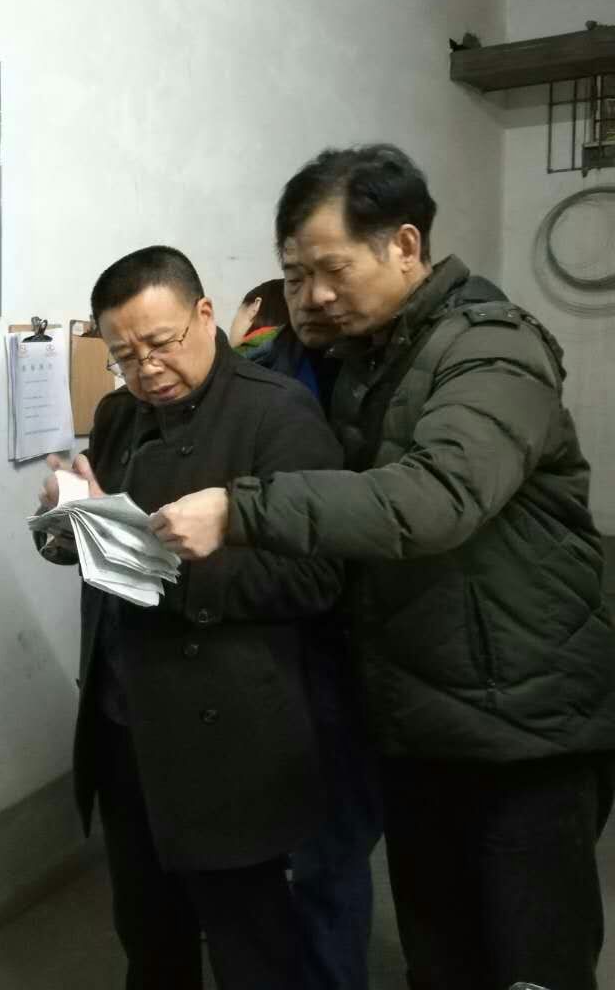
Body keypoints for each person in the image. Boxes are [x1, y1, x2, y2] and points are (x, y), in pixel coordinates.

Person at [149, 144, 615, 990]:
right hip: (417, 713)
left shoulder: (493, 346)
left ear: (405, 245)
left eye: (332, 269)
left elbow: (436, 495)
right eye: (296, 275)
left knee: (533, 960)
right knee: (442, 954)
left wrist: (239, 509)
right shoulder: (363, 359)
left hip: (525, 720)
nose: (314, 295)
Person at [34, 245, 344, 989]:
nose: (147, 369)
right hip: (124, 717)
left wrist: (164, 568)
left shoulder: (277, 412)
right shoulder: (118, 415)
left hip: (228, 732)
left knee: (250, 942)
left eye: (160, 343)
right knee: (149, 934)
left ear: (205, 315)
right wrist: (65, 526)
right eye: (124, 356)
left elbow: (320, 575)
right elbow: (102, 545)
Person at [231, 276, 382, 990]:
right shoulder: (264, 373)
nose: (315, 296)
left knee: (329, 850)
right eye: (296, 278)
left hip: (342, 640)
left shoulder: (385, 372)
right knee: (304, 849)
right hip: (282, 639)